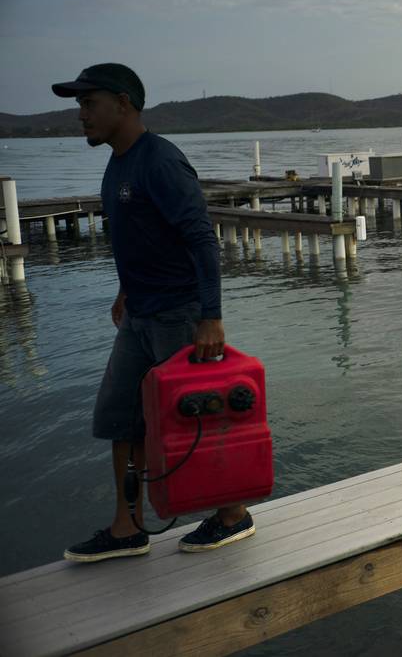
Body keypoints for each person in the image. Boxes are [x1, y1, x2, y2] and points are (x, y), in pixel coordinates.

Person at [52, 63, 254, 562]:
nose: (81, 115)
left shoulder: (160, 161)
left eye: (88, 103)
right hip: (140, 315)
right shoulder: (118, 163)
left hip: (180, 316)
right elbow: (140, 237)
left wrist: (211, 316)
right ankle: (129, 528)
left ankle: (233, 515)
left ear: (123, 103)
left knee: (198, 419)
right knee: (122, 419)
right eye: (79, 105)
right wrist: (126, 289)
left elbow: (200, 238)